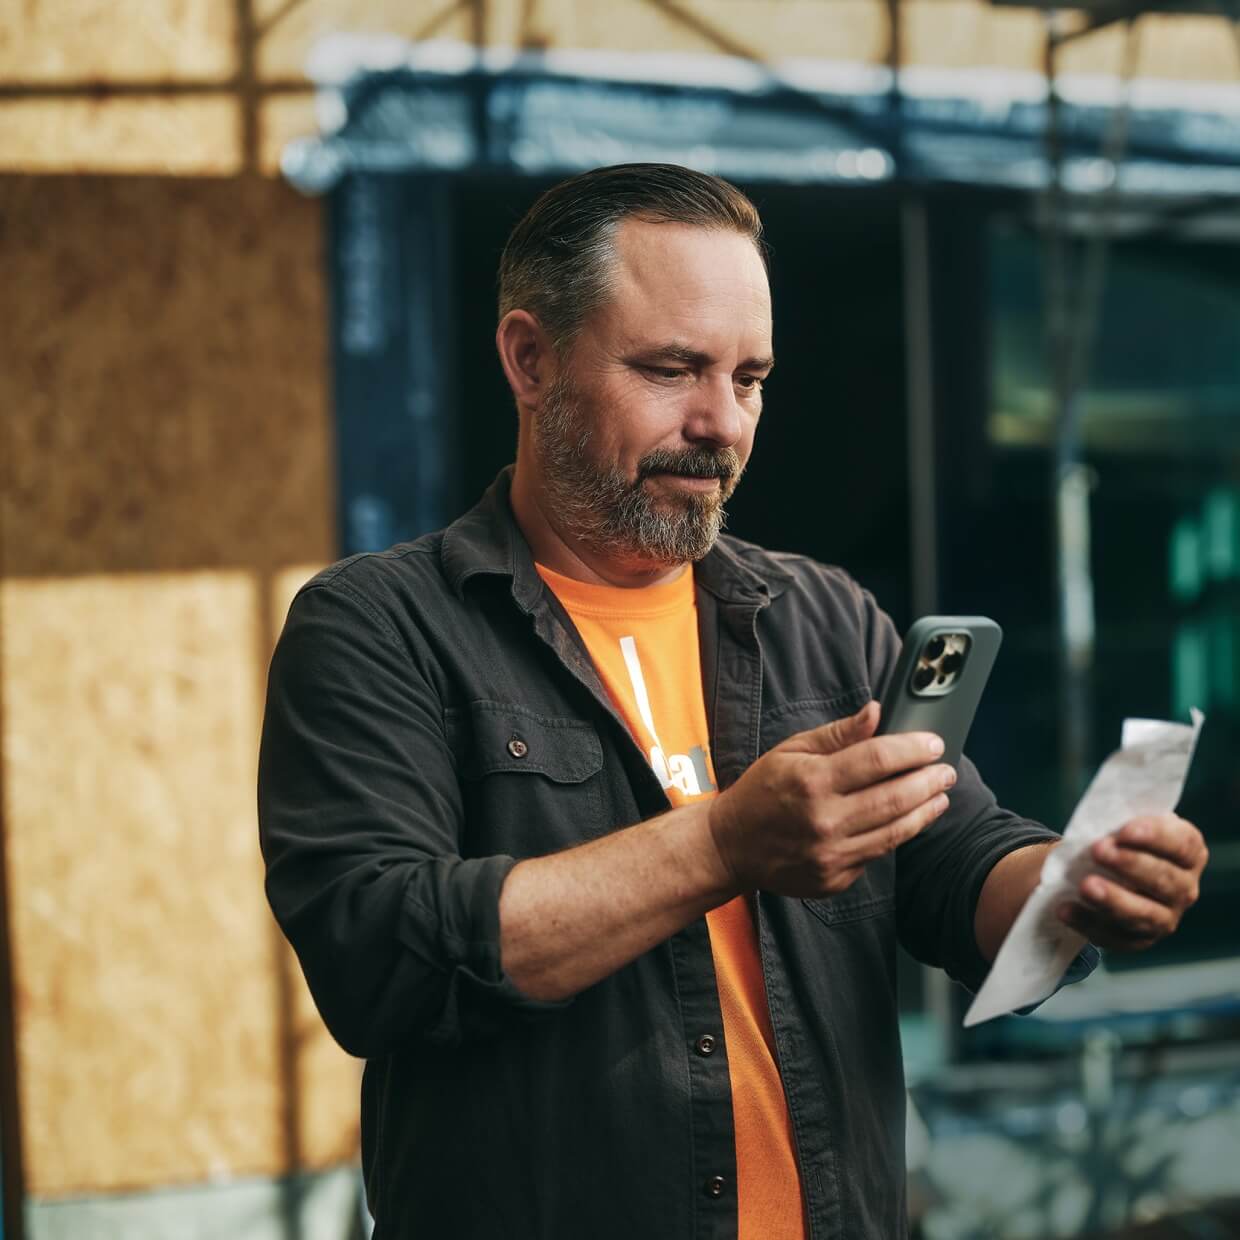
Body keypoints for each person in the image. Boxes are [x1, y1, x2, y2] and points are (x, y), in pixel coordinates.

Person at [257, 164, 1209, 1240]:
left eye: (749, 377)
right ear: (529, 359)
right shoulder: (380, 626)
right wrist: (722, 844)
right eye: (672, 369)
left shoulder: (819, 614)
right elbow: (379, 954)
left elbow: (952, 861)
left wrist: (1073, 885)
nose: (721, 422)